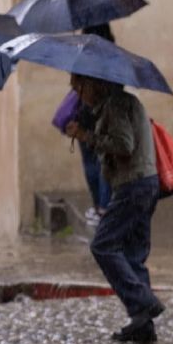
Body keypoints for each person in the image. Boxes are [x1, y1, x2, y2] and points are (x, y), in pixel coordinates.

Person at [65, 74, 164, 344]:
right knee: (134, 254)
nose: (76, 94)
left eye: (78, 87)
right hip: (144, 183)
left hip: (133, 185)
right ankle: (142, 324)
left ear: (93, 84)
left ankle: (143, 302)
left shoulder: (115, 105)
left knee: (103, 245)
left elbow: (124, 145)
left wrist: (87, 136)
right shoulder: (124, 102)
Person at [74, 23, 115, 226]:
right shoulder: (113, 55)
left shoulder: (82, 54)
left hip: (85, 113)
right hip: (106, 112)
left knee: (91, 161)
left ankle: (98, 204)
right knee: (104, 161)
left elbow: (75, 84)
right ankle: (103, 206)